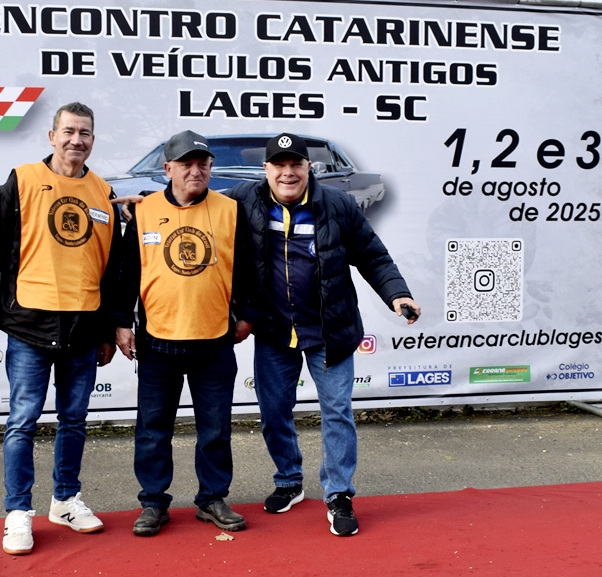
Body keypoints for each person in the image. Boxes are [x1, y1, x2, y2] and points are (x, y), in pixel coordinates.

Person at [228, 134, 420, 537]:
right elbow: (195, 208)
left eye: (295, 164)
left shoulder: (338, 205)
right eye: (279, 165)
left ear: (308, 168)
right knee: (274, 413)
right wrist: (146, 205)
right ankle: (289, 480)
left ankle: (339, 494)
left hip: (329, 331)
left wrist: (397, 294)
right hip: (274, 331)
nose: (288, 173)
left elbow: (372, 255)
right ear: (266, 170)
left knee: (336, 412)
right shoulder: (244, 200)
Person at [0, 102, 119, 555]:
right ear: (52, 137)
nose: (76, 140)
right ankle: (17, 512)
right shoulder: (23, 181)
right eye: (68, 131)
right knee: (22, 422)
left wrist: (107, 330)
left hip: (83, 331)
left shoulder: (104, 192)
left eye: (84, 133)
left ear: (93, 140)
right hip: (29, 327)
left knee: (74, 421)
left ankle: (65, 500)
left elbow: (111, 270)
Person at [113, 131, 257, 537]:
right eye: (186, 164)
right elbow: (127, 272)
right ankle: (153, 503)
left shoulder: (229, 210)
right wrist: (122, 322)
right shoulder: (144, 211)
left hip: (214, 342)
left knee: (215, 429)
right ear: (168, 169)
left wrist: (247, 315)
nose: (195, 171)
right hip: (158, 342)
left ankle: (212, 499)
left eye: (202, 164)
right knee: (152, 429)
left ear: (210, 168)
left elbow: (247, 268)